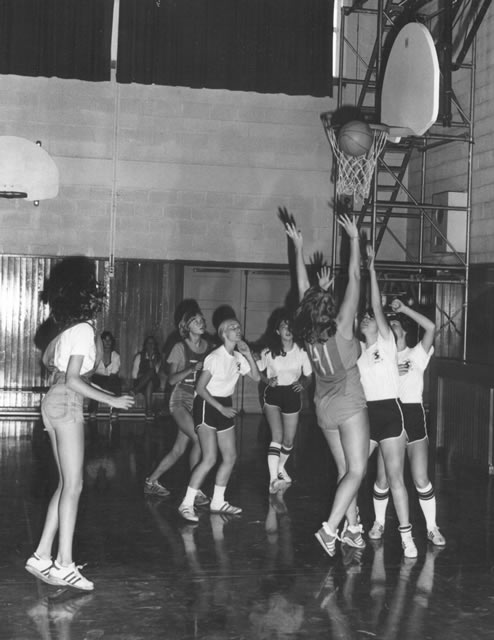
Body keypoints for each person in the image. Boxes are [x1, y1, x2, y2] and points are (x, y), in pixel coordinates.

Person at [25, 257, 134, 591]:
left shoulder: (64, 330)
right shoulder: (84, 329)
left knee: (65, 484)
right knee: (74, 486)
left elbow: (53, 364)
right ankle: (65, 564)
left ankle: (43, 555)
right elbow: (74, 379)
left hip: (53, 401)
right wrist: (112, 400)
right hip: (67, 402)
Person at [284, 212, 369, 558]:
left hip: (323, 407)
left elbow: (304, 290)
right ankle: (330, 528)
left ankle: (353, 529)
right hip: (348, 402)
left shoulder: (306, 333)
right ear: (330, 308)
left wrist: (298, 246)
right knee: (358, 470)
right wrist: (352, 238)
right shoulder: (343, 326)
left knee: (344, 471)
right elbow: (354, 276)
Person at [369, 298, 445, 546]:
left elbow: (432, 327)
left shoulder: (417, 354)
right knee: (383, 479)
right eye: (387, 324)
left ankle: (432, 528)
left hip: (412, 415)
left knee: (421, 478)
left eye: (395, 324)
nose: (391, 327)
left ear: (404, 330)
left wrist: (403, 309)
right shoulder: (380, 357)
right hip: (390, 415)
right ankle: (379, 522)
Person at [357, 245, 417, 558]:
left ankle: (406, 536)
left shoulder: (386, 340)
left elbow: (376, 308)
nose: (368, 319)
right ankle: (360, 525)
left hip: (391, 413)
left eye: (371, 317)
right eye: (364, 318)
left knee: (395, 478)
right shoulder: (358, 351)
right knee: (354, 472)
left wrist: (370, 269)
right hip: (367, 417)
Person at [178, 316, 260, 522]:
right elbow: (199, 388)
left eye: (238, 326)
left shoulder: (238, 357)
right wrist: (221, 408)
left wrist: (248, 354)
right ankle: (186, 504)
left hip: (224, 403)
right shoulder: (214, 357)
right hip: (207, 404)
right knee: (210, 458)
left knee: (230, 456)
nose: (237, 329)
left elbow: (257, 378)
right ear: (224, 334)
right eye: (232, 327)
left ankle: (218, 501)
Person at [144, 308, 213, 506]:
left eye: (202, 319)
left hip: (198, 400)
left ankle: (151, 481)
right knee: (199, 438)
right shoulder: (179, 348)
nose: (201, 322)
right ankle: (196, 489)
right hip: (180, 399)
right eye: (195, 320)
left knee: (178, 449)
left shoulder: (209, 346)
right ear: (186, 327)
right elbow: (171, 379)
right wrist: (191, 368)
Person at [256, 309, 312, 493]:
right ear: (277, 331)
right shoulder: (268, 352)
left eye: (290, 326)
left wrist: (303, 384)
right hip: (273, 394)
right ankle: (273, 480)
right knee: (277, 437)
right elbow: (257, 373)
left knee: (288, 441)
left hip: (292, 395)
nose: (287, 329)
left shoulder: (303, 352)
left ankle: (280, 468)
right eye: (283, 326)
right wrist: (266, 380)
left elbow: (309, 376)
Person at [88, 330, 121, 419]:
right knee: (96, 383)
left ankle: (115, 410)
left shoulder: (116, 356)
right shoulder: (96, 354)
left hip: (111, 378)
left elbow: (114, 373)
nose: (107, 342)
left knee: (117, 383)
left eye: (109, 340)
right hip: (97, 378)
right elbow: (92, 370)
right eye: (105, 340)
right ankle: (93, 410)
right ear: (101, 342)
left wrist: (106, 385)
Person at [132, 335, 161, 419]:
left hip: (154, 381)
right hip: (140, 382)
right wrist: (145, 376)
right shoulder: (139, 356)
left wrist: (151, 360)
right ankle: (149, 410)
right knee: (149, 382)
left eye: (152, 343)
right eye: (148, 343)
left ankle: (135, 391)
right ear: (145, 345)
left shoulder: (158, 357)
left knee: (151, 374)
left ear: (155, 345)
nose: (150, 345)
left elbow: (156, 372)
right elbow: (134, 375)